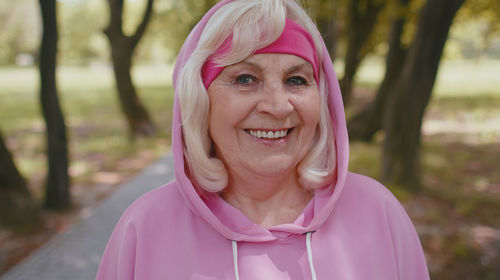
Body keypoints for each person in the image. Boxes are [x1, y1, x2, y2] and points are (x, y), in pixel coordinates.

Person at [96, 0, 430, 279]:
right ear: (200, 99)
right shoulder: (145, 230)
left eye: (296, 80)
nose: (277, 106)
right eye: (245, 78)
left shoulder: (378, 214)